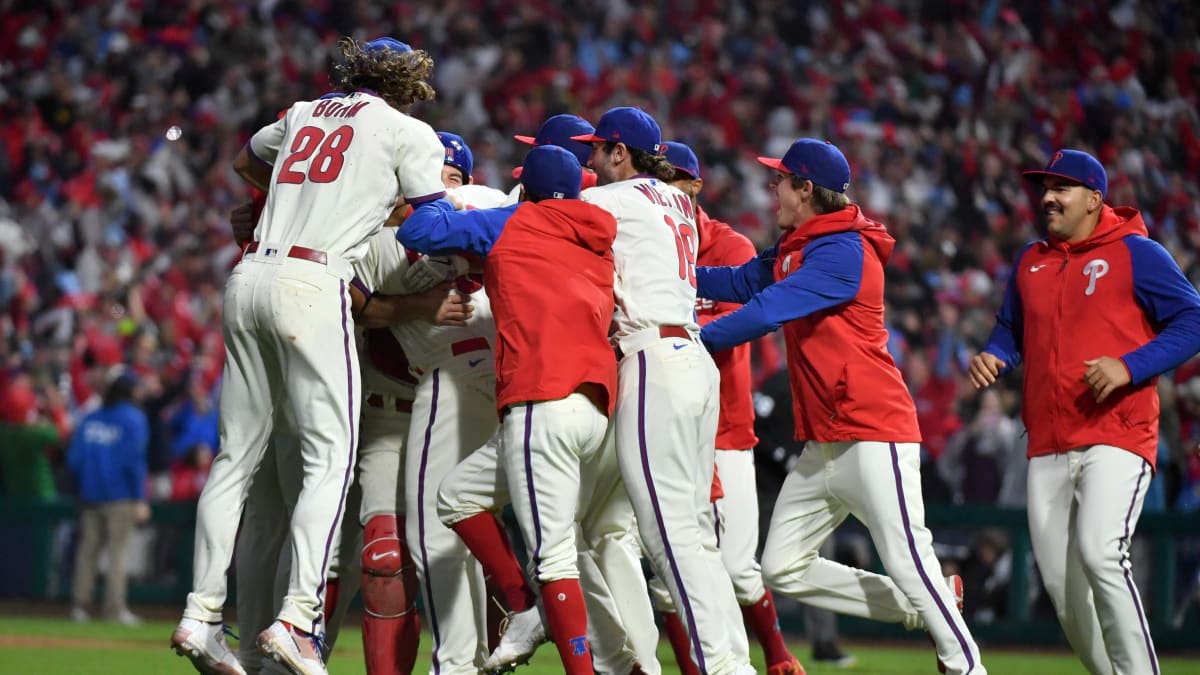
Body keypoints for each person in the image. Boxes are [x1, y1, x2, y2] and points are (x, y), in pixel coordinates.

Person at [171, 36, 446, 675]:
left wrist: (300, 204)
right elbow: (431, 224)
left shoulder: (302, 112)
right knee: (329, 459)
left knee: (234, 458)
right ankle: (298, 620)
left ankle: (200, 613)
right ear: (409, 84)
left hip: (248, 278)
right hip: (316, 283)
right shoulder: (410, 131)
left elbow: (247, 163)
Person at [696, 138, 986, 675]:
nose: (772, 189)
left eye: (780, 181)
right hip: (824, 439)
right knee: (781, 566)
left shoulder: (843, 249)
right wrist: (669, 282)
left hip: (874, 430)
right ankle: (924, 602)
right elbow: (738, 282)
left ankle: (966, 664)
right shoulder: (799, 244)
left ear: (806, 189)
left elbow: (767, 310)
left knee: (906, 558)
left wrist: (693, 334)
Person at [399, 145, 645, 675]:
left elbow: (417, 233)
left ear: (526, 190)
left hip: (542, 400)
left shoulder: (515, 221)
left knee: (555, 558)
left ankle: (573, 652)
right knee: (457, 496)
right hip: (597, 404)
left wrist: (442, 199)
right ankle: (525, 604)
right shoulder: (601, 233)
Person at [968, 149, 1200, 675]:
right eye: (1044, 187)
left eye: (1062, 188)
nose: (1048, 197)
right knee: (1065, 597)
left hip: (1117, 434)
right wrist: (996, 353)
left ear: (1095, 199)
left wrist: (1131, 366)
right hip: (1047, 443)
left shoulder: (1137, 253)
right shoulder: (1031, 259)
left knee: (1101, 554)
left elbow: (1192, 319)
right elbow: (1011, 326)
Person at [573, 107, 751, 675]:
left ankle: (721, 670)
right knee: (695, 533)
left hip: (652, 360)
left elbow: (538, 221)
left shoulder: (611, 200)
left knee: (667, 533)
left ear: (620, 153)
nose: (591, 161)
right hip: (695, 361)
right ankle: (735, 663)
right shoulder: (675, 200)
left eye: (598, 150)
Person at [651, 141, 805, 675]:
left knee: (739, 568)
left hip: (725, 427)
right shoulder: (640, 237)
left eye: (670, 180)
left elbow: (734, 332)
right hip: (659, 424)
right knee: (665, 576)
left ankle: (779, 656)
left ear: (693, 187)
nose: (658, 190)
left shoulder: (727, 245)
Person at [68, 369, 150, 627]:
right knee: (117, 553)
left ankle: (79, 606)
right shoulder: (134, 418)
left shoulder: (90, 417)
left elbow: (74, 460)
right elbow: (134, 462)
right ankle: (114, 609)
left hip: (90, 495)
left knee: (87, 552)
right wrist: (140, 498)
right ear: (129, 391)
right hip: (120, 497)